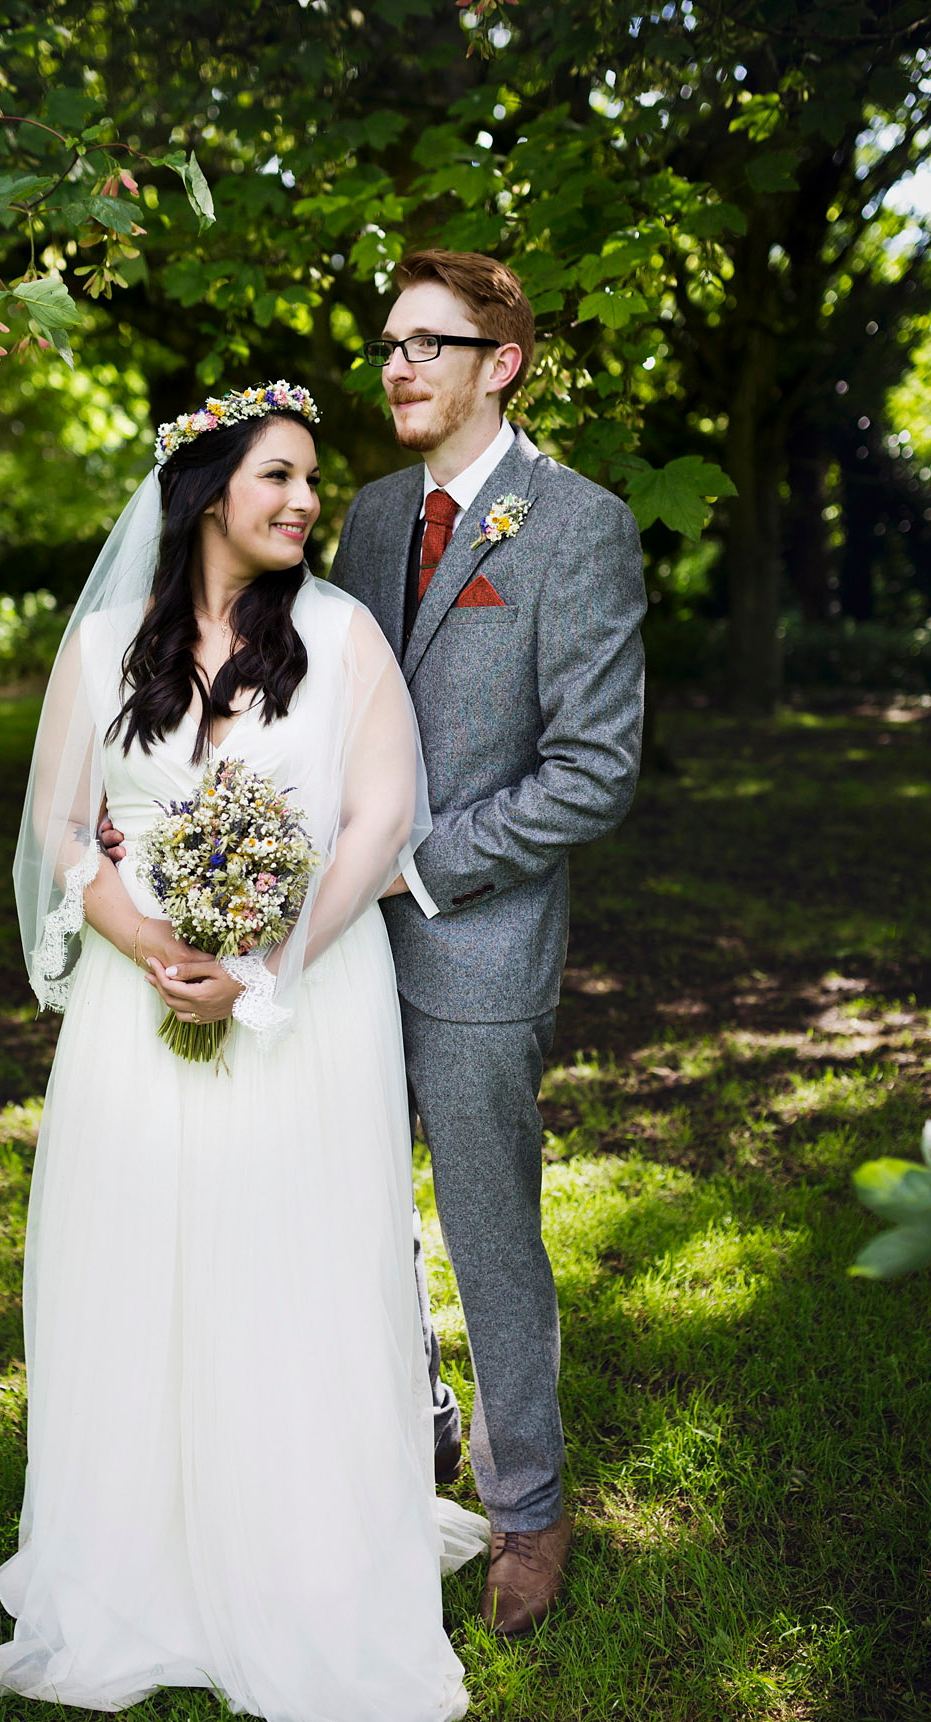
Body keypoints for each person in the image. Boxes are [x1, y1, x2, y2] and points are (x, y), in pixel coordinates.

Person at [0, 382, 488, 1722]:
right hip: (134, 1018)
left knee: (291, 1263)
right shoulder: (97, 652)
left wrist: (270, 958)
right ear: (209, 491)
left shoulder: (343, 637)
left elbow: (380, 823)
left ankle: (300, 1557)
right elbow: (62, 832)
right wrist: (154, 946)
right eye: (279, 477)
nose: (308, 501)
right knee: (136, 1266)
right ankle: (139, 1560)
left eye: (314, 480)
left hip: (308, 1006)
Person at [330, 249, 647, 1636]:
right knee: (350, 1214)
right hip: (330, 946)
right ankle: (419, 1434)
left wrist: (413, 869)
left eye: (427, 343)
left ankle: (531, 1509)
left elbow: (593, 770)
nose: (396, 364)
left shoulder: (578, 525)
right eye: (387, 342)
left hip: (476, 947)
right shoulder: (362, 515)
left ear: (500, 362)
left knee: (488, 1232)